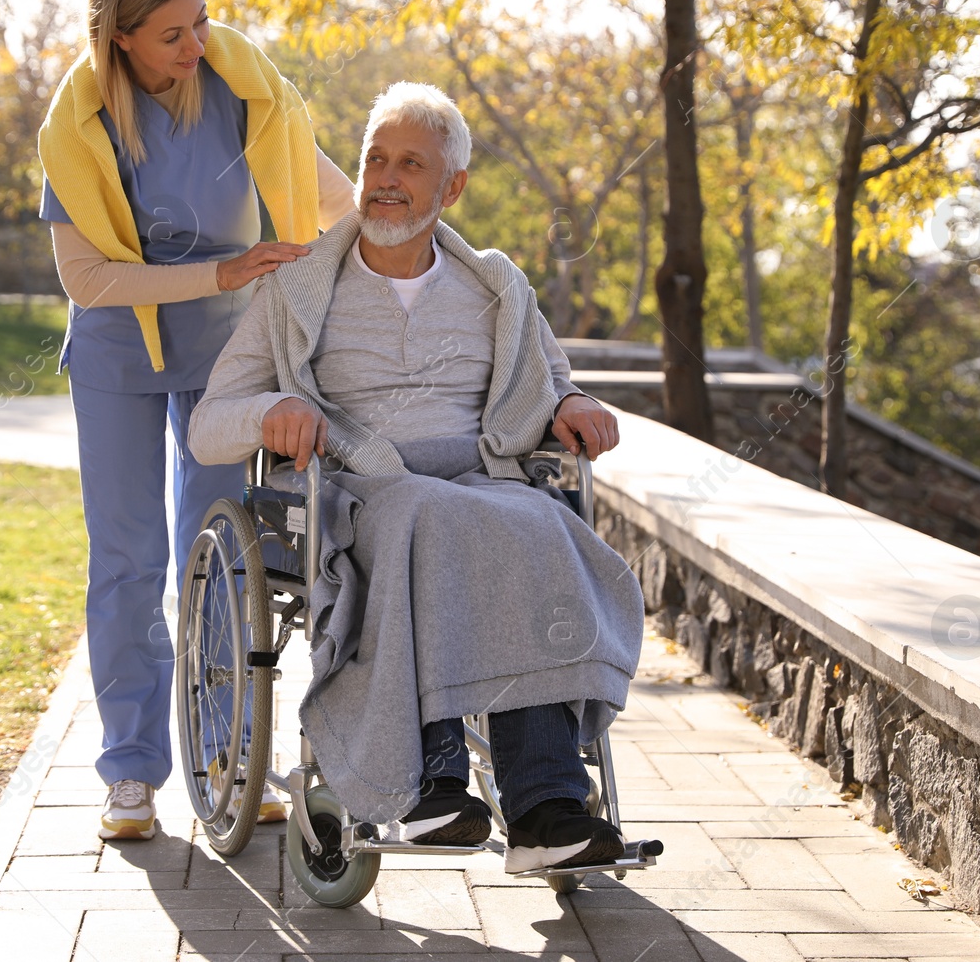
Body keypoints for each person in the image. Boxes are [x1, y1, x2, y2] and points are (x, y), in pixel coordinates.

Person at [187, 82, 645, 873]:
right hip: (355, 488)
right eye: (374, 158)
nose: (386, 177)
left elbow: (549, 383)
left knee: (544, 522)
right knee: (422, 516)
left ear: (452, 186)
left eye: (410, 162)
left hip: (481, 478)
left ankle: (547, 807)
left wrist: (572, 402)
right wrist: (271, 412)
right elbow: (207, 425)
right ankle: (432, 783)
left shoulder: (497, 287)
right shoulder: (297, 289)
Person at [36, 0, 355, 842]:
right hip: (116, 354)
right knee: (128, 561)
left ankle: (231, 759)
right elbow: (88, 279)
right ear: (122, 38)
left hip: (226, 354)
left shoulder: (242, 88)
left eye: (201, 21)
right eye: (172, 33)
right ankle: (131, 773)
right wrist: (222, 273)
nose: (195, 44)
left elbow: (331, 199)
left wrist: (421, 220)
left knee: (221, 554)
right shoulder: (78, 122)